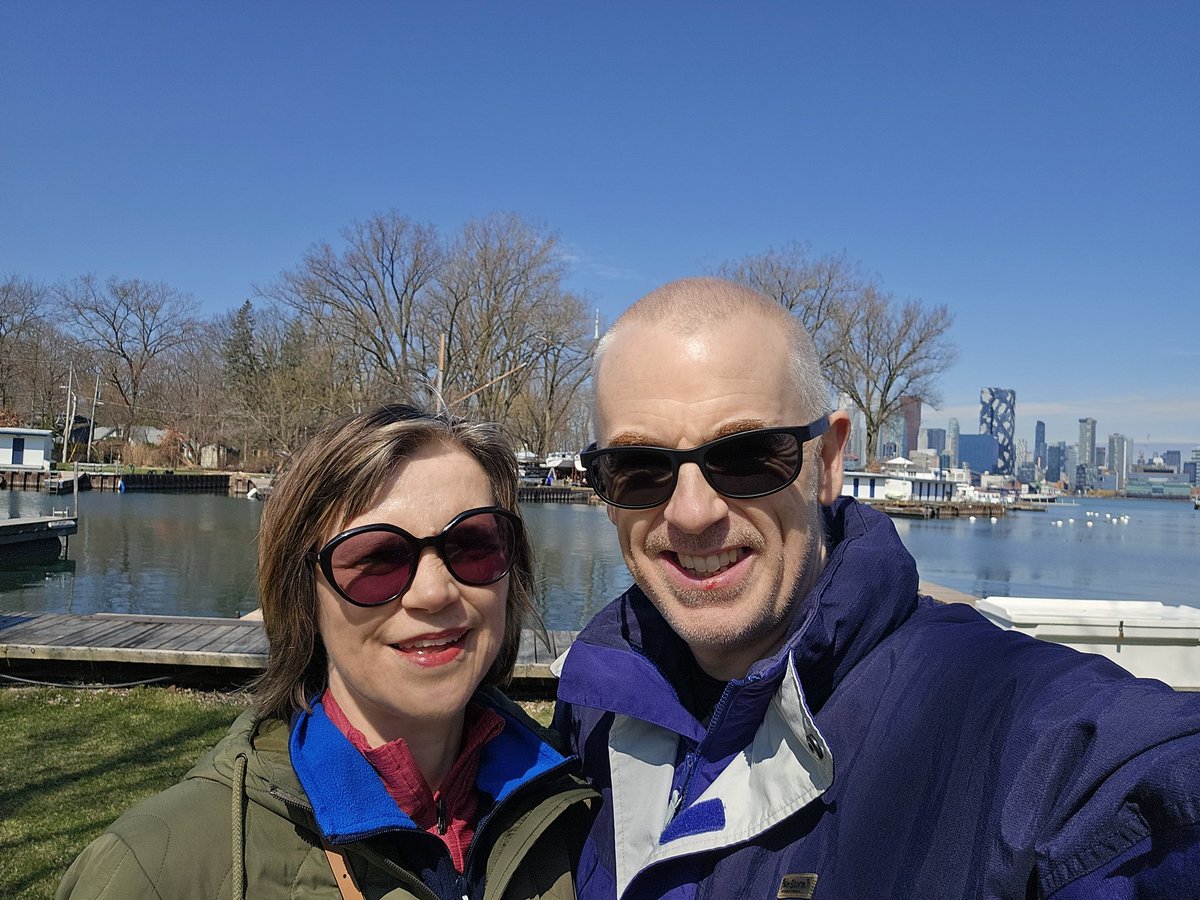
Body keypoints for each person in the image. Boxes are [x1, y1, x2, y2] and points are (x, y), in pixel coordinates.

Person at [553, 277, 1200, 899]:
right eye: (637, 467)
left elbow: (1140, 788)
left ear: (828, 463)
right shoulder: (595, 703)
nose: (693, 513)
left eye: (748, 456)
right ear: (604, 490)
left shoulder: (999, 721)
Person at [60, 403, 595, 900]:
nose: (434, 593)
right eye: (376, 558)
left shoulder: (583, 816)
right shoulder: (153, 872)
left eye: (473, 545)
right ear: (303, 594)